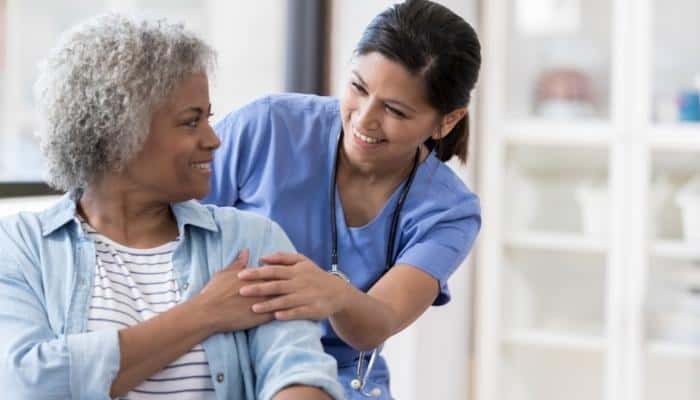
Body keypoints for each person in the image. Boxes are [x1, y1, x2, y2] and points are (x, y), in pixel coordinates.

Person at [0, 13, 343, 400]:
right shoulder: (20, 247)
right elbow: (27, 383)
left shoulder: (250, 239)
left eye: (208, 118)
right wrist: (205, 313)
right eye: (190, 122)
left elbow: (300, 373)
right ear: (119, 136)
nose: (214, 139)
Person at [202, 0, 482, 398]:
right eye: (358, 88)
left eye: (396, 111)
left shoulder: (450, 212)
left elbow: (375, 325)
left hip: (338, 376)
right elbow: (167, 226)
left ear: (446, 121)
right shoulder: (268, 127)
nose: (364, 119)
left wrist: (335, 294)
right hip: (221, 349)